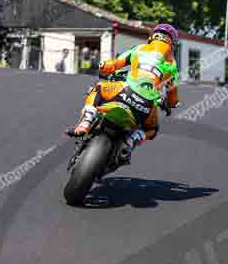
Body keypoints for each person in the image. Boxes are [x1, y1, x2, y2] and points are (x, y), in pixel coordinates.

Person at [66, 23, 181, 165]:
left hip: (123, 91)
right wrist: (168, 104)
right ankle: (131, 141)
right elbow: (173, 99)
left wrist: (103, 67)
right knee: (152, 130)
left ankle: (86, 121)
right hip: (146, 106)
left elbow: (112, 65)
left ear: (153, 37)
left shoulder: (139, 49)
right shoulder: (172, 65)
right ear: (173, 44)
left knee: (98, 89)